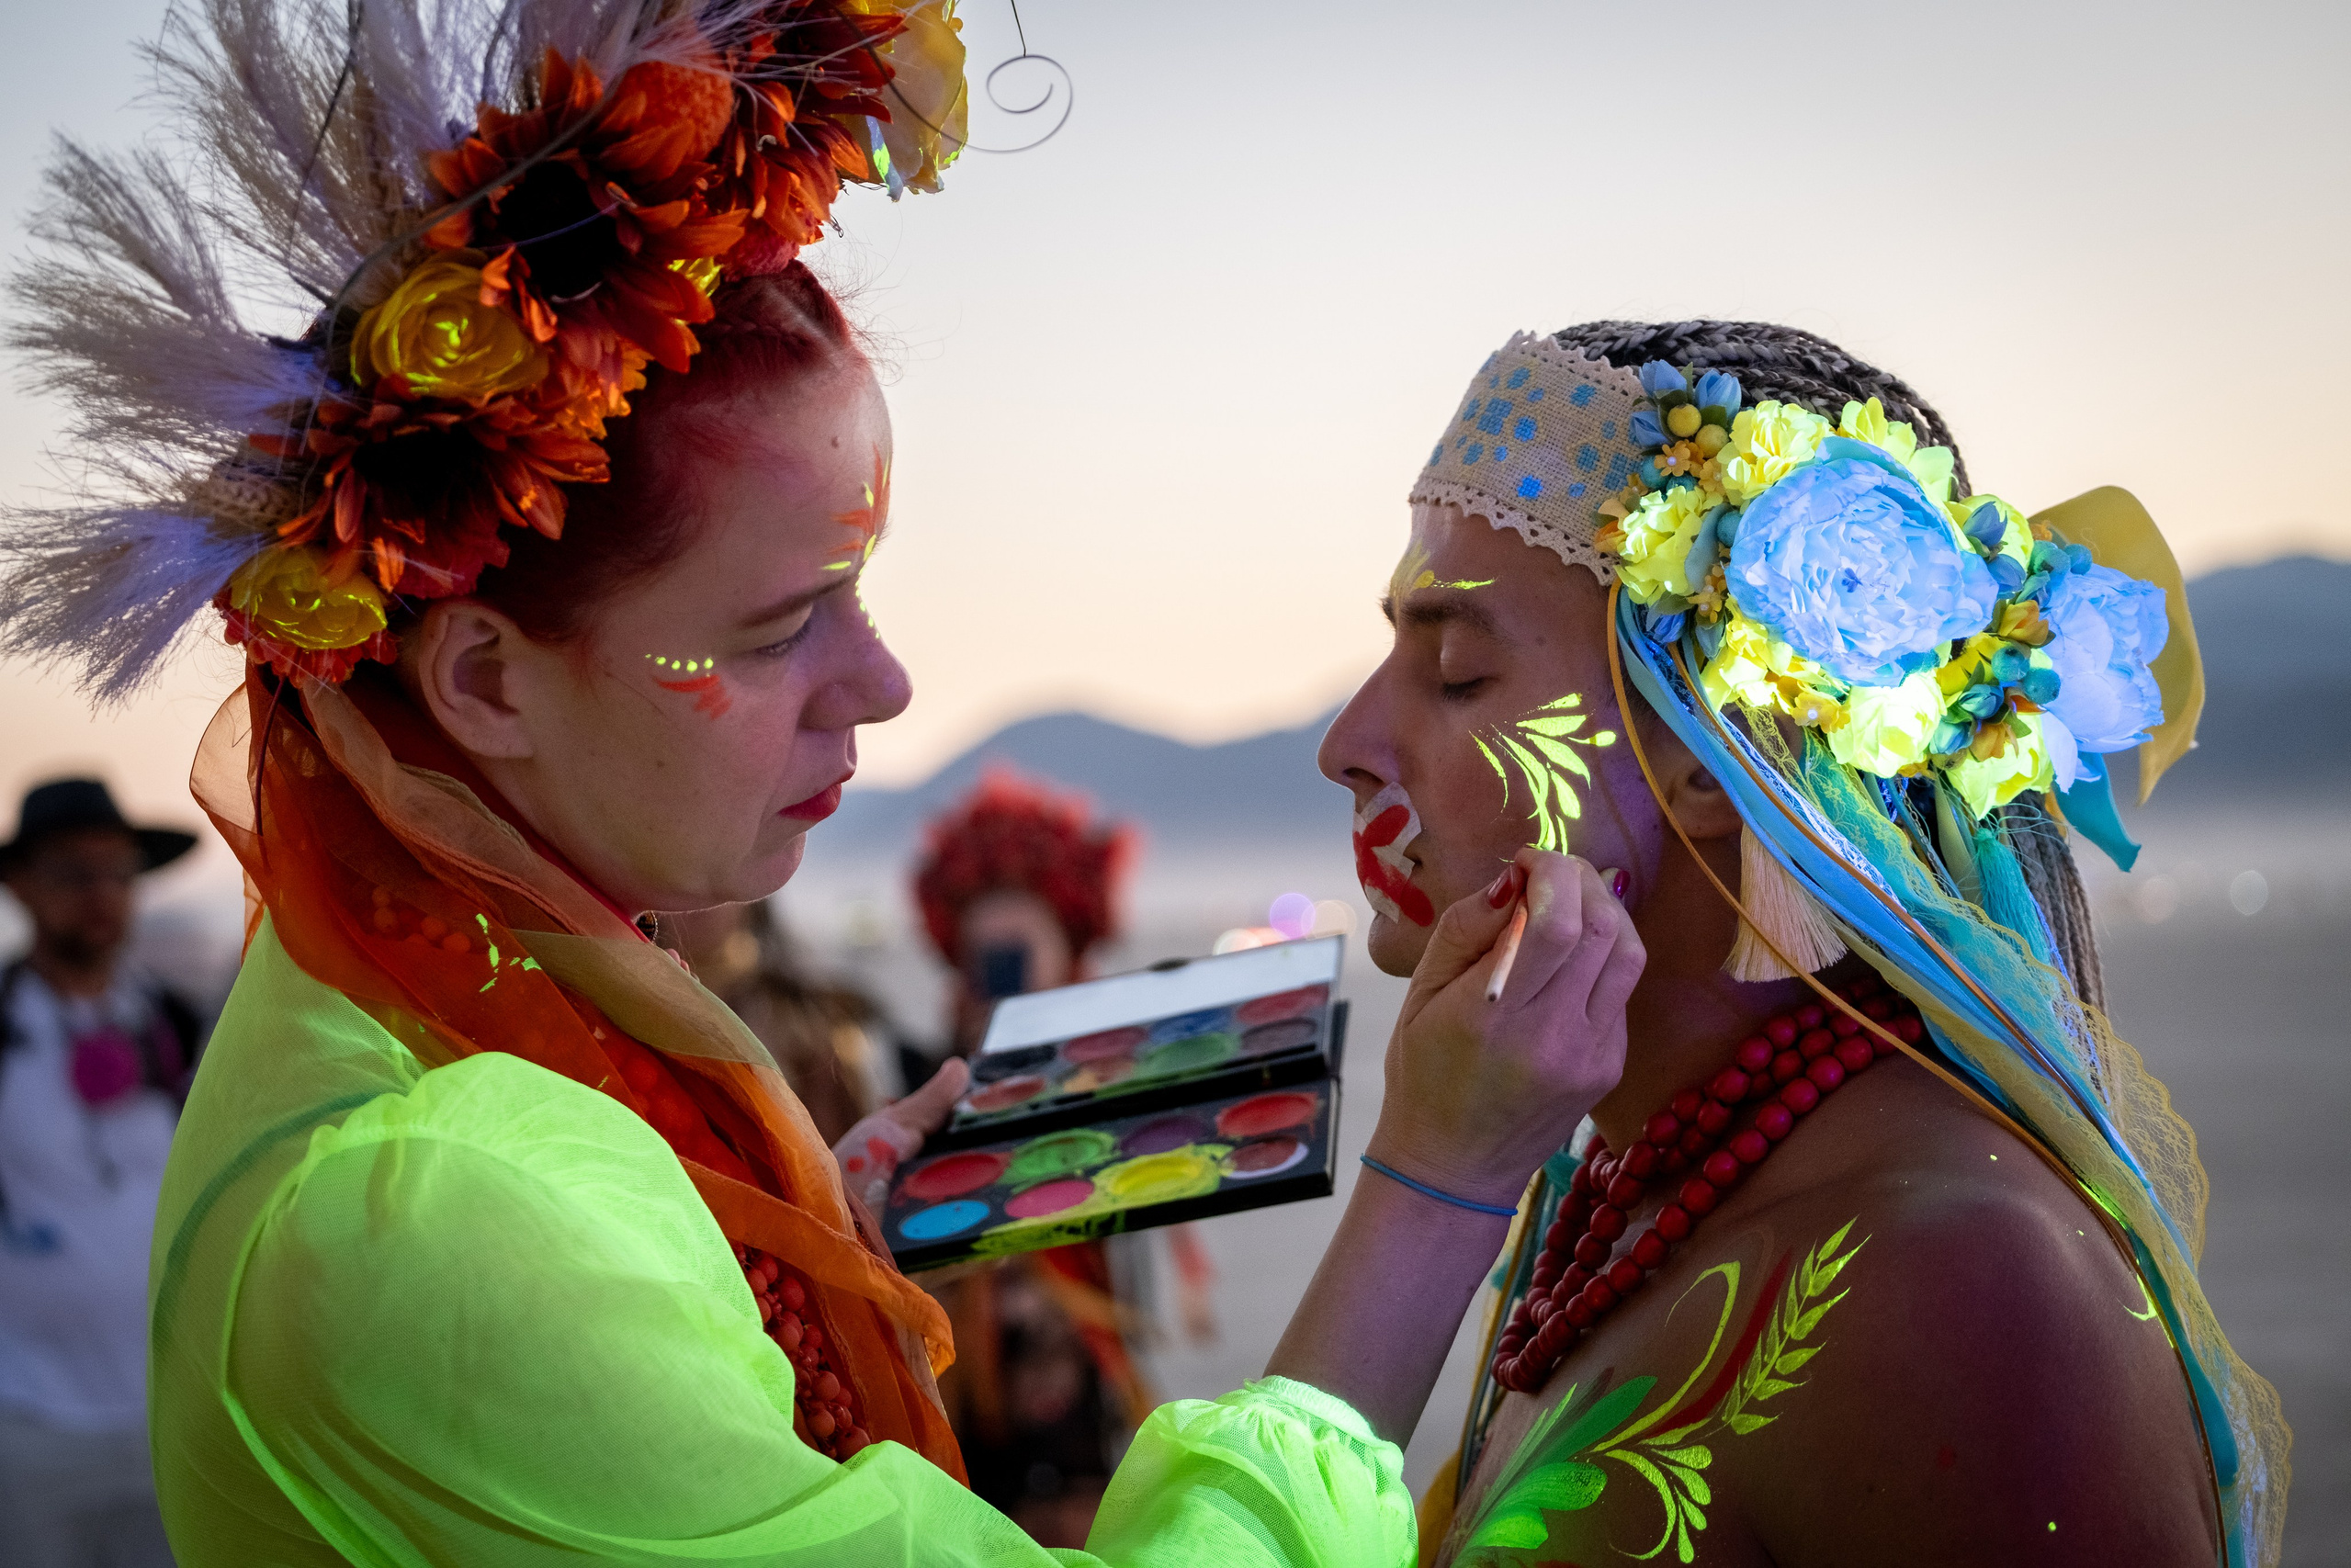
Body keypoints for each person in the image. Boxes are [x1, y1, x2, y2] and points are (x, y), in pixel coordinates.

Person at [0, 6, 1641, 1562]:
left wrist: (770, 1271)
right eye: (783, 626)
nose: (886, 685)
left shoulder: (462, 1023)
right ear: (487, 680)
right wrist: (1438, 1190)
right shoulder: (439, 1205)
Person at [1318, 323, 2290, 1565]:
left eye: (1454, 670)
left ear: (1722, 742)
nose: (1347, 739)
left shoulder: (1960, 1289)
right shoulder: (1601, 1184)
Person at [909, 770, 1217, 1546]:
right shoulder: (922, 1090)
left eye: (1016, 955)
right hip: (971, 1445)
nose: (999, 975)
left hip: (1085, 1437)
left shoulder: (1108, 1091)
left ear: (1070, 957)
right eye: (985, 958)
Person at [0, 778, 207, 1567]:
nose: (100, 894)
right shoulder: (5, 1032)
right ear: (21, 884)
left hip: (168, 1414)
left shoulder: (179, 1026)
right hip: (28, 1425)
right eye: (72, 872)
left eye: (117, 872)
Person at [668, 899, 900, 1147]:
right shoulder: (630, 1006)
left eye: (715, 868)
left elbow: (845, 1151)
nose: (698, 900)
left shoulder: (811, 1019)